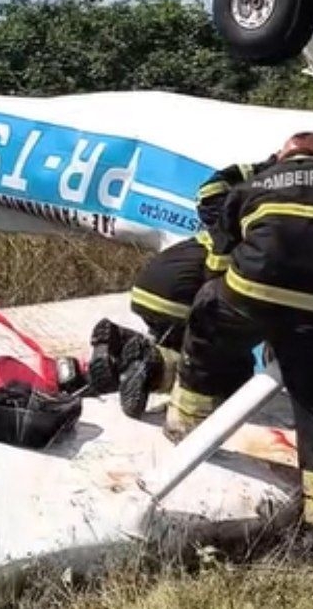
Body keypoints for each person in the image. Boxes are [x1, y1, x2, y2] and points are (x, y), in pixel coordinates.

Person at [166, 131, 313, 537]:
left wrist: (219, 294)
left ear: (282, 156)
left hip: (250, 291)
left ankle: (186, 423)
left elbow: (218, 257)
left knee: (210, 332)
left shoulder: (252, 185)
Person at [87, 154, 281, 418]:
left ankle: (121, 344)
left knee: (186, 347)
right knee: (232, 377)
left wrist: (265, 166)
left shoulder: (237, 214)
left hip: (153, 282)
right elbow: (222, 286)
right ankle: (153, 367)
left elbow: (209, 193)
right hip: (178, 298)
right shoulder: (272, 241)